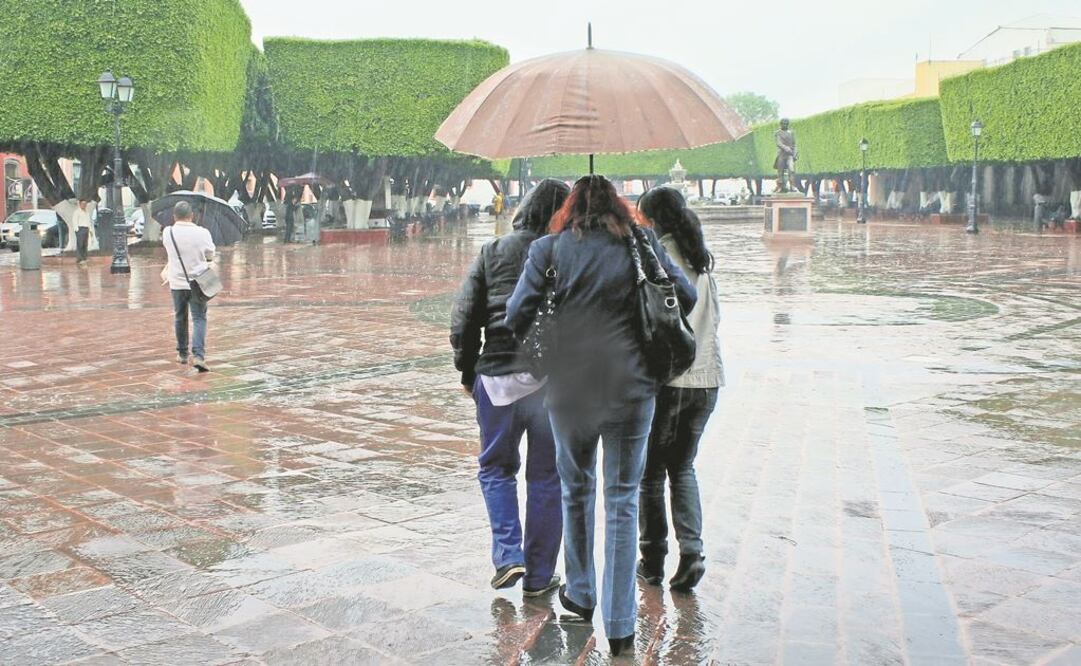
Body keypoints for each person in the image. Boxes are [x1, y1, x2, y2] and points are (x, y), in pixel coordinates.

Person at [506, 175, 696, 657]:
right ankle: (620, 624)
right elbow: (685, 297)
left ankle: (580, 593)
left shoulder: (548, 250)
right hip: (632, 389)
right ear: (617, 206)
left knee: (576, 491)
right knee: (622, 500)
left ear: (570, 208)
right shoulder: (640, 241)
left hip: (571, 390)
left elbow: (514, 315)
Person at [451, 179, 570, 598]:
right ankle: (539, 576)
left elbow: (464, 318)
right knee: (546, 477)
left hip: (496, 376)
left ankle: (508, 554)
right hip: (550, 382)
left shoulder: (493, 251)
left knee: (496, 469)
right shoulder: (566, 254)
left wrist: (467, 371)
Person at [635, 187, 724, 592]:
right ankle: (693, 551)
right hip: (707, 380)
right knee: (683, 468)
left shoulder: (660, 258)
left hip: (671, 380)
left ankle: (652, 559)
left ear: (652, 220)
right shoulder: (702, 259)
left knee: (651, 474)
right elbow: (714, 321)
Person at [162, 201, 215, 372]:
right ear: (191, 215)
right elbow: (210, 254)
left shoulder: (167, 232)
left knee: (180, 316)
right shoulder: (202, 232)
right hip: (197, 281)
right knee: (199, 318)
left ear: (174, 216)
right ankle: (198, 356)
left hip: (177, 282)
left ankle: (183, 354)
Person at [73, 199, 92, 264]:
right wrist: (77, 230)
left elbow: (89, 221)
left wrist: (90, 230)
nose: (84, 205)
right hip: (80, 229)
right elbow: (74, 221)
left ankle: (84, 257)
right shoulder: (77, 212)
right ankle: (80, 259)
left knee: (85, 244)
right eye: (83, 204)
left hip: (86, 228)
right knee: (80, 244)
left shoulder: (87, 212)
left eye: (85, 204)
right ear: (80, 204)